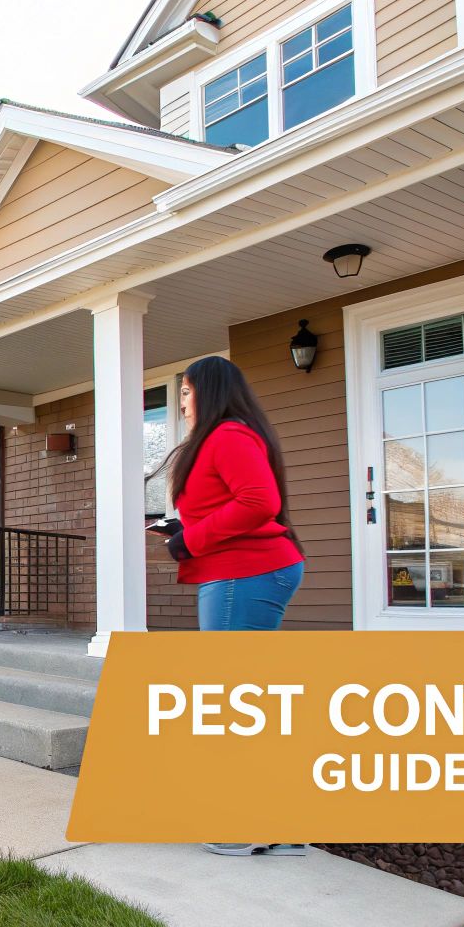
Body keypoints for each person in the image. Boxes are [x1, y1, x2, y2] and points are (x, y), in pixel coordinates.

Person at [153, 354, 307, 858]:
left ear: (211, 392)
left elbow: (258, 502)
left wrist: (190, 539)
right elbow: (234, 503)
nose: (181, 403)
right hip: (246, 570)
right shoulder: (228, 438)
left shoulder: (228, 435)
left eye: (187, 393)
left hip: (244, 573)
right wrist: (184, 531)